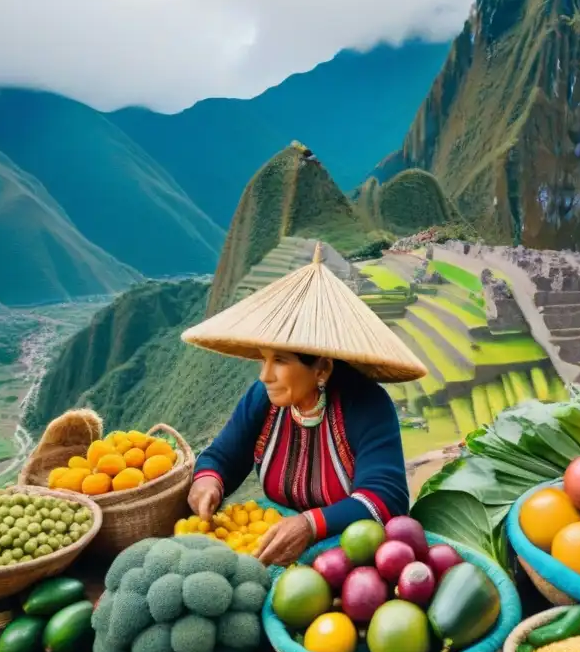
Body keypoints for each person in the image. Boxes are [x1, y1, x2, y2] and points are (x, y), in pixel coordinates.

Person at [182, 242, 428, 566]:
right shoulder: (262, 399)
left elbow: (385, 499)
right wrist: (209, 480)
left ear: (321, 368)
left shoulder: (366, 406)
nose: (265, 374)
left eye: (280, 361)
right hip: (281, 551)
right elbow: (222, 455)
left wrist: (310, 525)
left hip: (354, 561)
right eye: (264, 358)